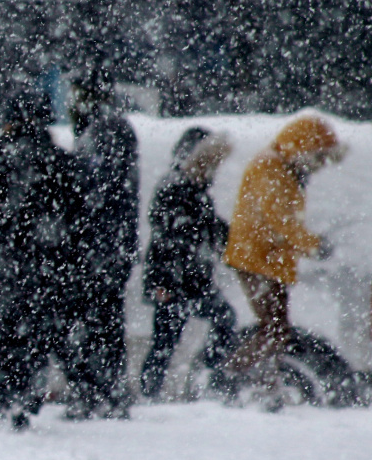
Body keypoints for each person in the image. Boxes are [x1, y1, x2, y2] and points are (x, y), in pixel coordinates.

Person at [0, 90, 83, 430]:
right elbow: (76, 216)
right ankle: (25, 399)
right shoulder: (58, 159)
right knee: (35, 336)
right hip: (44, 266)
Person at [222, 115, 345, 407]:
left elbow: (284, 225)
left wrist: (306, 245)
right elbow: (280, 221)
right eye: (318, 157)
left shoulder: (284, 167)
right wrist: (313, 246)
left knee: (276, 330)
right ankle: (230, 376)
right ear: (303, 148)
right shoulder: (270, 166)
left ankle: (265, 384)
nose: (320, 165)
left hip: (269, 260)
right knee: (275, 330)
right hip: (256, 260)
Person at [139, 127, 237, 400]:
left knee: (219, 320)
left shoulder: (196, 190)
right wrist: (163, 284)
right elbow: (166, 240)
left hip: (193, 280)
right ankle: (154, 392)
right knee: (165, 342)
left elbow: (210, 229)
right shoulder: (174, 187)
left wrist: (235, 240)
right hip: (173, 281)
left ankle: (204, 376)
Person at [66, 66, 140, 419]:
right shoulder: (111, 127)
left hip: (100, 247)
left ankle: (100, 394)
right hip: (108, 245)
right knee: (103, 321)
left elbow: (96, 187)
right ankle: (103, 392)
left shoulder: (106, 130)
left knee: (99, 321)